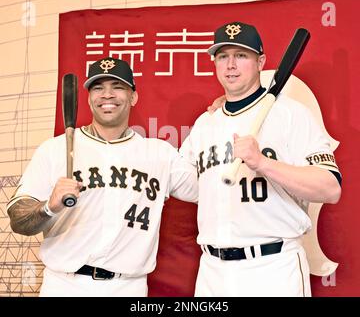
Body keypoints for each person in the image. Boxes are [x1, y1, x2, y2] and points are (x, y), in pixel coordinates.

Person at [6, 57, 198, 297]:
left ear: (133, 97)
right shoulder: (55, 149)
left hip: (128, 287)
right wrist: (49, 207)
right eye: (98, 87)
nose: (107, 95)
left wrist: (221, 112)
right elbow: (18, 219)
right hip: (65, 286)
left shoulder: (160, 155)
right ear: (88, 98)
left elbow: (212, 188)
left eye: (117, 87)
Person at [179, 21, 342, 297]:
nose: (230, 65)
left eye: (241, 55)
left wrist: (263, 163)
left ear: (260, 62)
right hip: (212, 272)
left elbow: (330, 188)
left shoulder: (291, 114)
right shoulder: (205, 124)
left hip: (273, 268)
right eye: (222, 56)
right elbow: (183, 184)